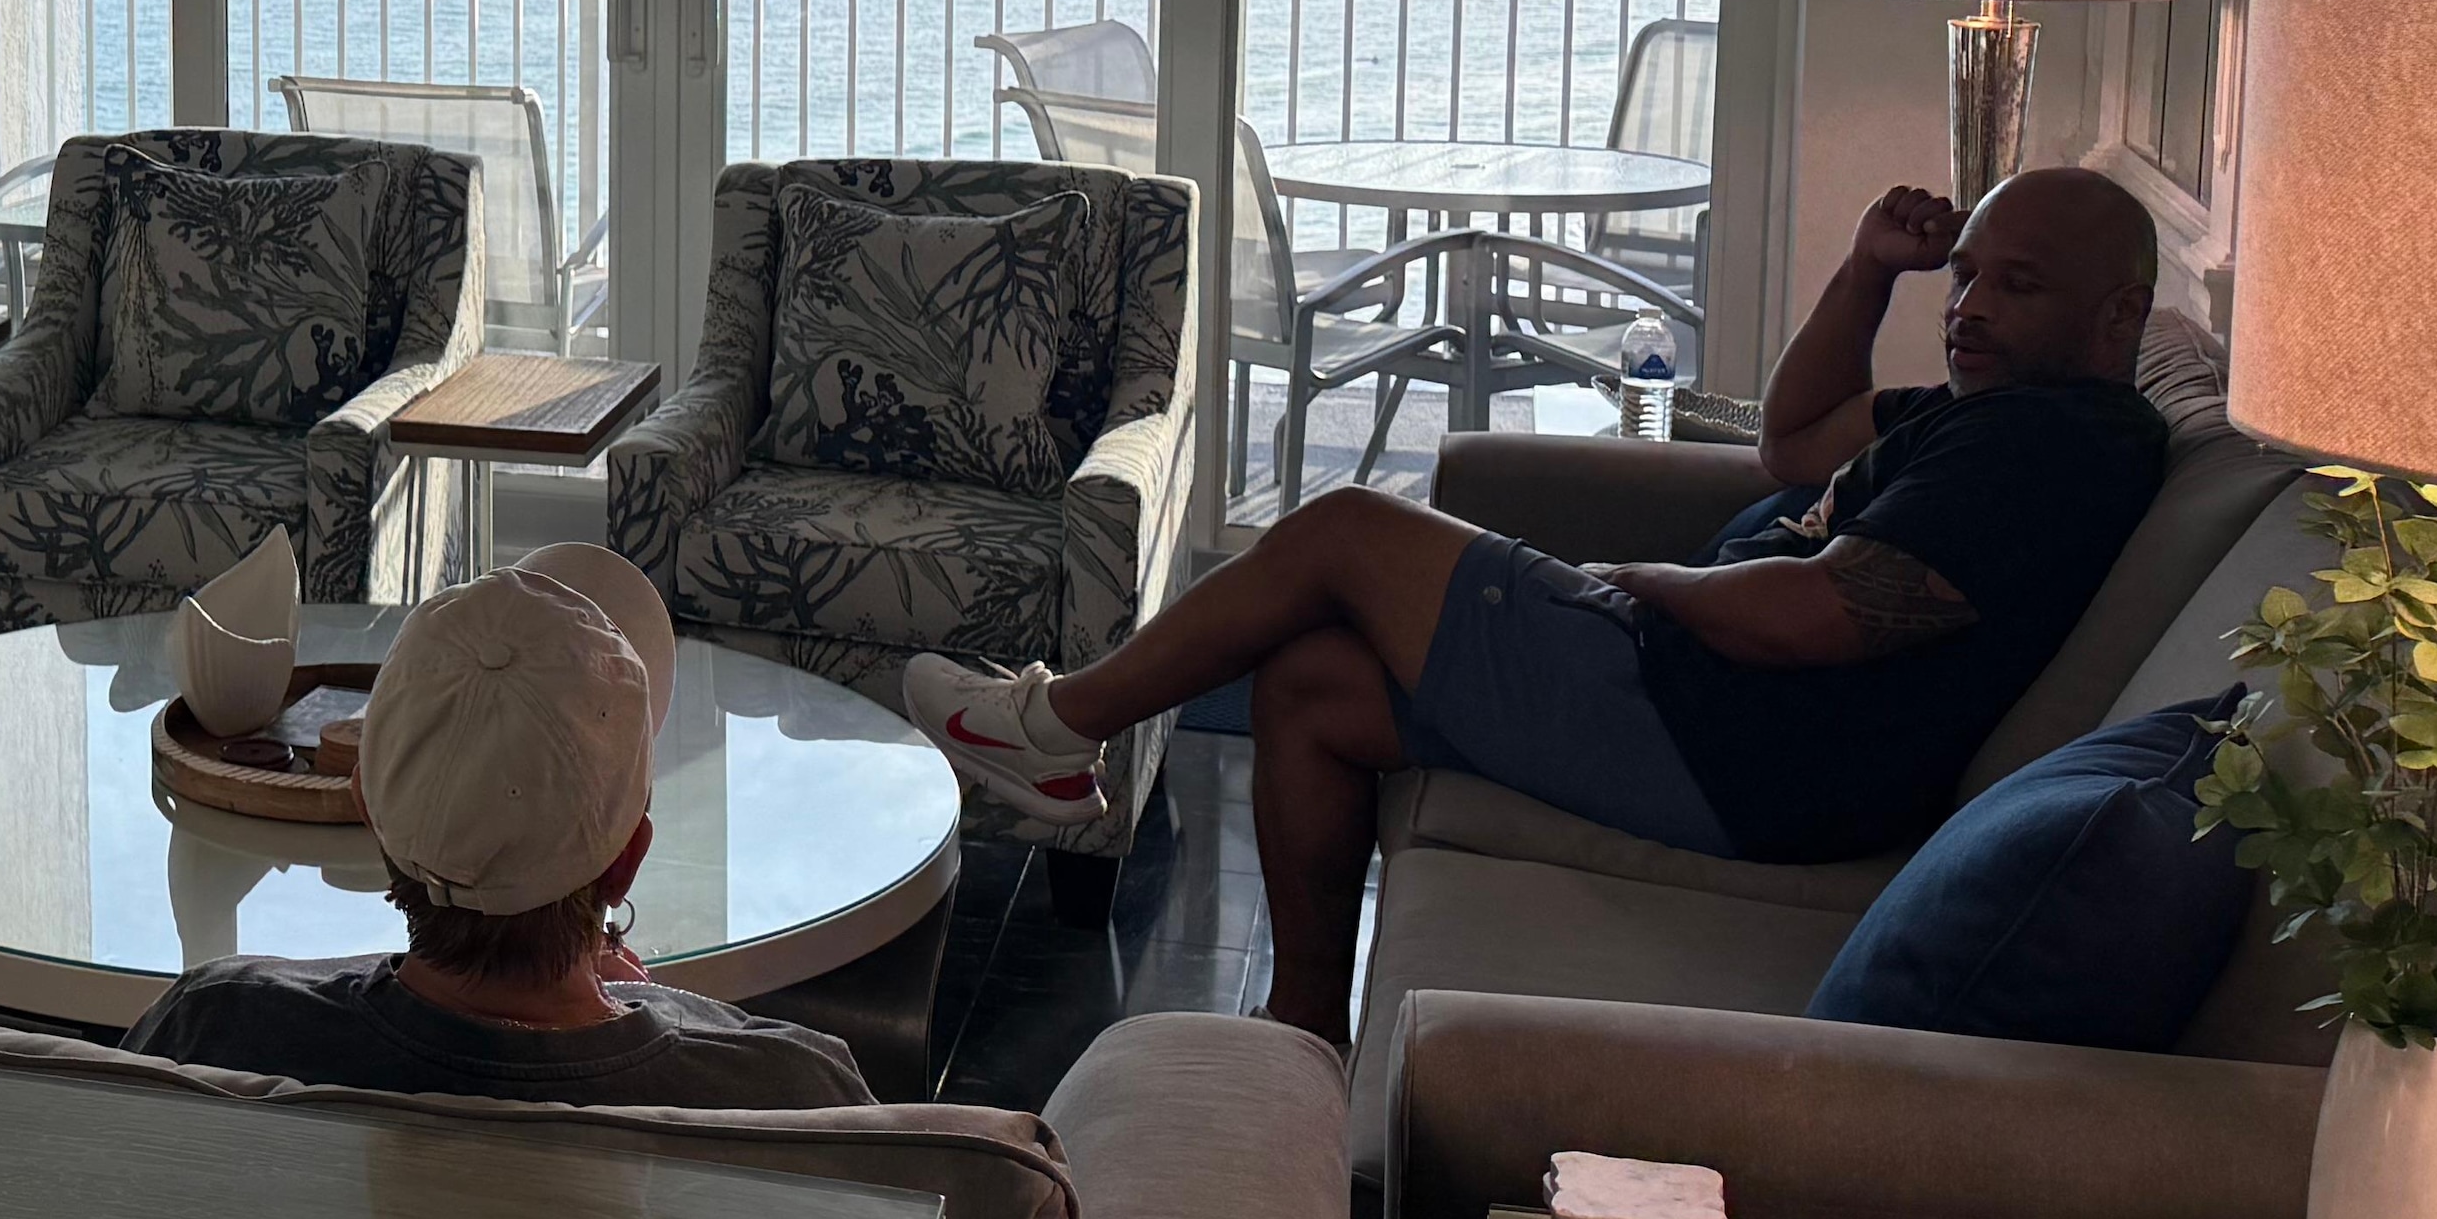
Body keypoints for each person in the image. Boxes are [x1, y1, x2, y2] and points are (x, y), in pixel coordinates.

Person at [904, 166, 2175, 1050]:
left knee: (1345, 531)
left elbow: (1817, 619)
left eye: (2016, 286)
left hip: (1725, 734)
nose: (1969, 306)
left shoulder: (2051, 447)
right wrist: (1864, 272)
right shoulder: (1987, 413)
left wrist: (1640, 584)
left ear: (2118, 312)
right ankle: (1302, 1033)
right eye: (1964, 276)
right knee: (1315, 687)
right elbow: (1791, 445)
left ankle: (1057, 727)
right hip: (1711, 714)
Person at [125, 543, 872, 1106]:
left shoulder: (210, 1030)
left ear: (370, 811)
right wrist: (643, 1003)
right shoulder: (794, 1089)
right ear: (628, 860)